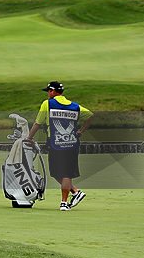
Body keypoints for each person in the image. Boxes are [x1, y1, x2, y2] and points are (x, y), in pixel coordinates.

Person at [25, 81, 93, 211]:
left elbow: (37, 123)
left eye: (49, 91)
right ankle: (75, 191)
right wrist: (81, 131)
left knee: (64, 173)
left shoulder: (48, 104)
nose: (48, 94)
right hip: (71, 144)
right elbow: (90, 116)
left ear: (52, 91)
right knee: (56, 172)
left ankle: (64, 203)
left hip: (55, 143)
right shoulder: (75, 106)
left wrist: (29, 138)